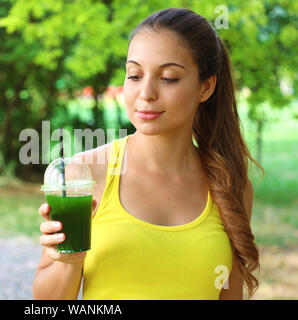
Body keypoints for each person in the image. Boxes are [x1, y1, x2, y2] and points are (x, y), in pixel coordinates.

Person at [33, 8, 263, 300]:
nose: (146, 92)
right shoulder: (84, 173)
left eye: (168, 78)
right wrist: (70, 261)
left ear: (205, 86)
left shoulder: (231, 187)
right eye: (135, 75)